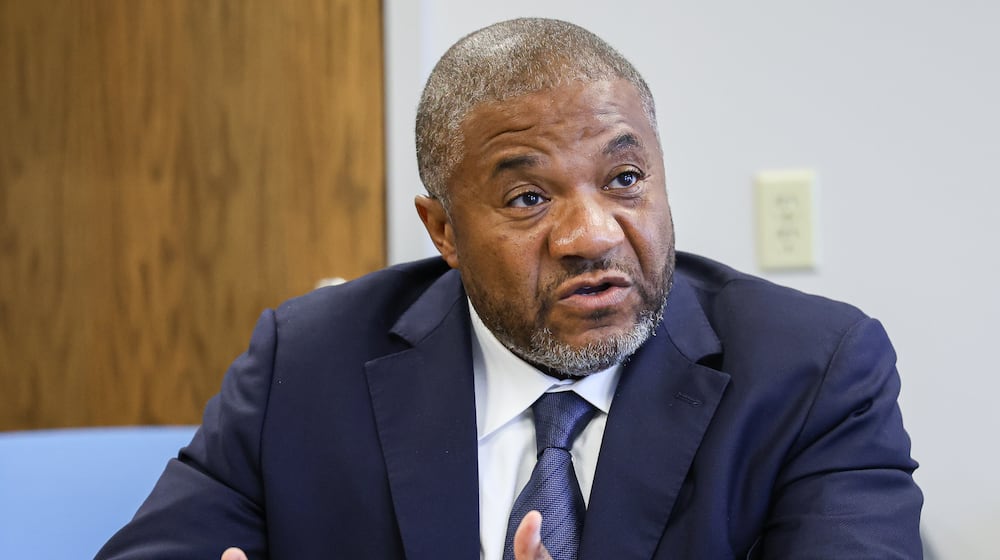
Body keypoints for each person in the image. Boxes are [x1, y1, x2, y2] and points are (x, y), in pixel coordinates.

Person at [97, 17, 923, 560]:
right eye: (528, 198)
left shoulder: (813, 373)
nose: (593, 233)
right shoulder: (306, 363)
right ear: (444, 231)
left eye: (626, 178)